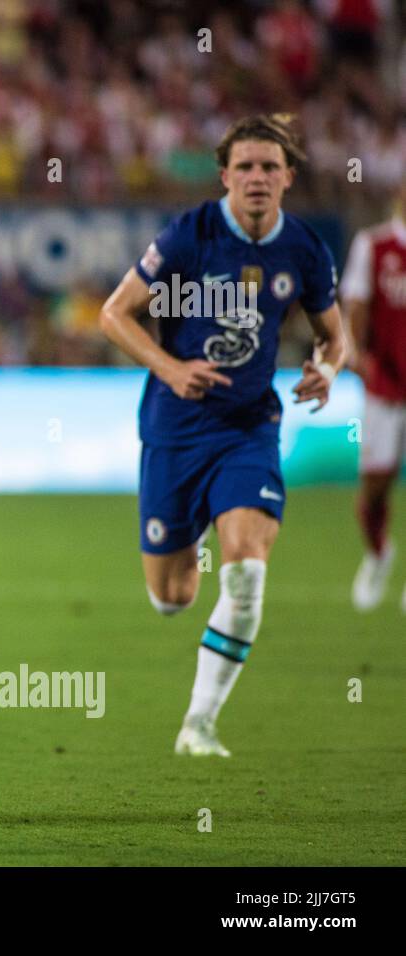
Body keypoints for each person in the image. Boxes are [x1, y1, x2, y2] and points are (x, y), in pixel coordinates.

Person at [99, 114, 347, 757]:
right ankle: (202, 523)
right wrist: (172, 367)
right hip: (175, 429)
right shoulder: (191, 234)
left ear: (289, 176)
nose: (258, 178)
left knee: (244, 576)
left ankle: (198, 725)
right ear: (225, 176)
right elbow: (114, 314)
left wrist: (327, 367)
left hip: (248, 428)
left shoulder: (306, 249)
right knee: (173, 598)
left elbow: (333, 332)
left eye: (270, 167)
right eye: (245, 167)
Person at [340, 179, 406, 612]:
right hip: (385, 383)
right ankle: (379, 552)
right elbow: (355, 306)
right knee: (376, 483)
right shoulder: (374, 246)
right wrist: (355, 354)